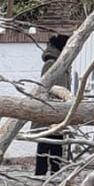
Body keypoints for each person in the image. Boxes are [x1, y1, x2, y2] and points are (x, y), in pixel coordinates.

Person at [34, 32, 71, 176]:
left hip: (58, 111)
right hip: (49, 112)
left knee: (56, 145)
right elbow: (47, 88)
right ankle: (41, 174)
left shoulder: (60, 64)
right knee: (45, 144)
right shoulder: (51, 64)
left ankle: (55, 173)